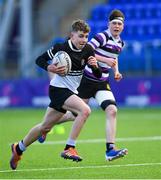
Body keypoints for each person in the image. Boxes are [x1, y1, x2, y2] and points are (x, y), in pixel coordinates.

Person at [10, 19, 102, 170]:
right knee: (85, 110)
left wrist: (95, 66)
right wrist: (49, 68)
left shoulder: (88, 50)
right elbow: (39, 60)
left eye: (86, 36)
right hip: (58, 90)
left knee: (45, 127)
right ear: (72, 35)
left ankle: (18, 148)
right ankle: (69, 147)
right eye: (80, 36)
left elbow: (97, 75)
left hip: (70, 91)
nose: (84, 40)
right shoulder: (61, 47)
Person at [38, 9, 128, 161]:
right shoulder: (102, 37)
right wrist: (104, 61)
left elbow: (114, 57)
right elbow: (88, 51)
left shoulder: (120, 43)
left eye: (119, 24)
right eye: (114, 23)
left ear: (123, 26)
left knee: (112, 110)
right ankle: (46, 127)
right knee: (74, 115)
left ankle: (110, 150)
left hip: (102, 81)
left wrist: (116, 71)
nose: (117, 26)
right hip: (86, 80)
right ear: (109, 24)